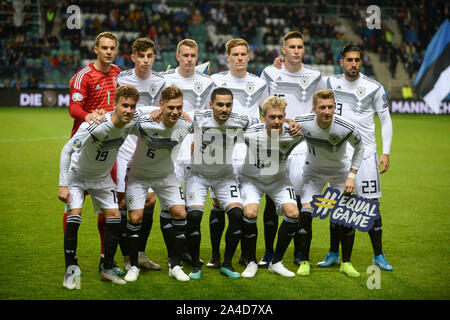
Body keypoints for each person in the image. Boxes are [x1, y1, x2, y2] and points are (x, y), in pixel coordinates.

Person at [58, 85, 148, 289]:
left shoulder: (131, 121)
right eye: (124, 105)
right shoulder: (95, 125)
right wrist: (63, 185)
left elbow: (148, 113)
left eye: (132, 106)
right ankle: (70, 270)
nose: (128, 110)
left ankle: (107, 267)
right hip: (77, 177)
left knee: (115, 217)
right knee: (75, 216)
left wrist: (159, 112)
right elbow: (67, 150)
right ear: (114, 105)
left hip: (102, 178)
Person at [323, 45, 394, 271]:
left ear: (360, 62)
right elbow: (301, 76)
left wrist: (386, 151)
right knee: (337, 203)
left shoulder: (373, 87)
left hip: (366, 154)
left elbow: (386, 120)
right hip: (338, 153)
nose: (353, 64)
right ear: (341, 61)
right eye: (349, 60)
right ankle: (334, 253)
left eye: (357, 60)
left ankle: (379, 255)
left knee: (371, 204)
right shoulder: (330, 83)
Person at [259, 31, 326, 267]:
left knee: (299, 199)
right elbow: (263, 110)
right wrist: (286, 122)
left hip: (303, 146)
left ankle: (299, 252)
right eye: (292, 47)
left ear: (303, 50)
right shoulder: (269, 73)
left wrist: (304, 124)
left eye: (300, 47)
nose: (297, 50)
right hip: (275, 142)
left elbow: (323, 109)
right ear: (283, 50)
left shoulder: (316, 76)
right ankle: (268, 253)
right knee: (270, 198)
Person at [184, 87, 260, 279]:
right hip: (198, 175)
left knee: (236, 214)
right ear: (211, 105)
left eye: (228, 105)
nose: (224, 109)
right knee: (193, 216)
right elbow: (174, 115)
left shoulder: (240, 120)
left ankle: (227, 264)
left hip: (225, 176)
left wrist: (290, 123)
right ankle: (195, 265)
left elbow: (261, 121)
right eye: (219, 104)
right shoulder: (198, 117)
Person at [208, 38, 269, 268]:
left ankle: (245, 253)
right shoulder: (216, 80)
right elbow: (206, 110)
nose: (240, 58)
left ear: (249, 56)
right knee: (217, 202)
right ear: (228, 57)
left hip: (247, 148)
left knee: (244, 201)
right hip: (220, 146)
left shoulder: (260, 83)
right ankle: (215, 255)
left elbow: (267, 112)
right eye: (235, 54)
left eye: (244, 54)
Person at [67, 31, 123, 275]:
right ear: (96, 49)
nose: (109, 52)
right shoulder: (83, 76)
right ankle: (71, 258)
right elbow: (74, 107)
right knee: (73, 206)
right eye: (105, 48)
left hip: (108, 148)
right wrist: (87, 115)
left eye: (112, 48)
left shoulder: (119, 74)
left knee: (108, 205)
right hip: (83, 147)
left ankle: (105, 258)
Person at [124, 86, 193, 282]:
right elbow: (123, 115)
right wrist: (149, 110)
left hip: (166, 175)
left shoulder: (186, 123)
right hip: (139, 174)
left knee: (180, 213)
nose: (175, 112)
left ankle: (175, 265)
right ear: (161, 105)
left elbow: (208, 117)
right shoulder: (144, 122)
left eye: (179, 107)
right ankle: (134, 266)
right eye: (170, 107)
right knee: (136, 218)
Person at [295, 89, 364, 278]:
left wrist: (352, 174)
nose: (327, 111)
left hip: (340, 174)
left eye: (330, 107)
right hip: (313, 173)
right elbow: (282, 128)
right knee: (306, 214)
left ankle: (346, 263)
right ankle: (305, 262)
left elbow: (360, 147)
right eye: (322, 107)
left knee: (347, 217)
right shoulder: (302, 122)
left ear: (335, 107)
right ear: (314, 109)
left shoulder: (345, 126)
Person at [160, 39, 214, 264]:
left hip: (197, 148)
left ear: (197, 56)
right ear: (177, 56)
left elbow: (209, 114)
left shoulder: (207, 81)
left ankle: (188, 252)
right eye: (185, 55)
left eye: (193, 55)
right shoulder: (165, 79)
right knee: (169, 205)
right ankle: (174, 253)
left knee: (193, 207)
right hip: (171, 147)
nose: (189, 59)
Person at [116, 37, 166, 272]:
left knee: (149, 200)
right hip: (123, 146)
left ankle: (141, 254)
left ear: (154, 57)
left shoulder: (161, 81)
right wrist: (149, 111)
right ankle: (127, 257)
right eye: (141, 56)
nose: (145, 61)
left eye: (149, 56)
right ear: (133, 57)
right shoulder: (121, 79)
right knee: (123, 201)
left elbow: (165, 111)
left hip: (148, 147)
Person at [240, 96, 303, 278]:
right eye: (272, 117)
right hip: (252, 180)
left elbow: (316, 129)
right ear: (263, 117)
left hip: (279, 180)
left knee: (293, 213)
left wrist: (292, 122)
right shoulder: (250, 132)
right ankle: (251, 261)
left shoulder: (294, 134)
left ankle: (276, 262)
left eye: (280, 117)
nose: (276, 121)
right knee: (250, 213)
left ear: (285, 117)